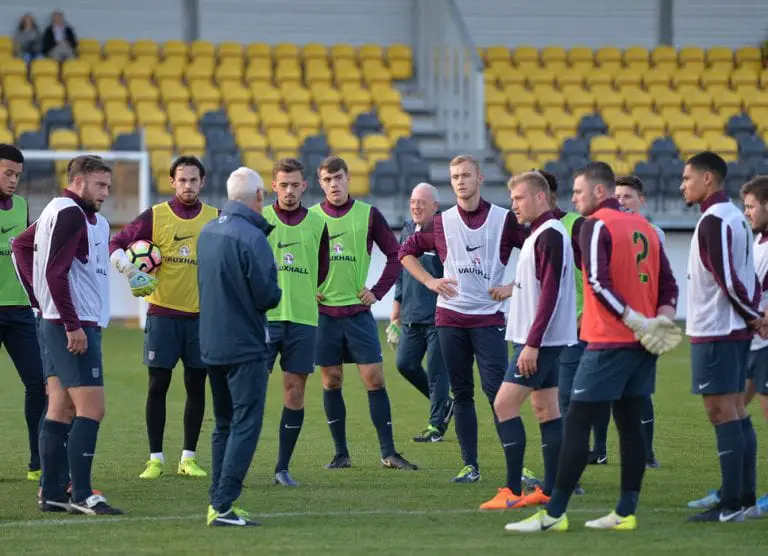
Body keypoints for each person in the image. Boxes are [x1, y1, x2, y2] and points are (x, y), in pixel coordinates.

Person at [505, 161, 679, 533]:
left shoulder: (595, 224)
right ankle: (625, 511)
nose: (572, 198)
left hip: (608, 341)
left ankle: (554, 515)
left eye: (578, 192)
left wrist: (634, 319)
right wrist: (661, 320)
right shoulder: (646, 228)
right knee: (629, 427)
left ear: (600, 193)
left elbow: (598, 283)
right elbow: (669, 285)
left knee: (576, 425)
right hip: (643, 344)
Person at [400, 154, 527, 483]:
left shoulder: (502, 220)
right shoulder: (441, 223)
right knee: (462, 392)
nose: (460, 180)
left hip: (488, 319)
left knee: (499, 394)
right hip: (450, 319)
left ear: (480, 179)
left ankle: (519, 466)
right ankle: (470, 465)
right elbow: (405, 252)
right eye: (455, 176)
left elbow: (537, 252)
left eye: (466, 175)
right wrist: (430, 282)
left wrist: (514, 286)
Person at [12, 155, 122, 515]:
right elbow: (57, 274)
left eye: (108, 185)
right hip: (73, 323)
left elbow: (20, 246)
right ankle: (83, 494)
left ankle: (53, 491)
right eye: (99, 185)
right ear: (78, 182)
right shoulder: (71, 213)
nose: (106, 192)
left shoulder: (58, 212)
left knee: (60, 407)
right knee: (92, 409)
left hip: (57, 319)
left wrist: (39, 301)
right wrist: (71, 322)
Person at [110, 156, 217, 480]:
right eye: (182, 180)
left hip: (201, 318)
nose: (188, 185)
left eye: (193, 180)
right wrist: (129, 270)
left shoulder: (214, 218)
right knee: (158, 385)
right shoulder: (155, 216)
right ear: (172, 182)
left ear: (202, 182)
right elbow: (116, 243)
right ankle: (155, 458)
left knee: (196, 386)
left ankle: (189, 458)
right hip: (162, 316)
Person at [310, 155, 417, 471]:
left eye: (338, 178)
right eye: (327, 180)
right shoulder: (311, 218)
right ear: (320, 183)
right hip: (323, 315)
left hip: (357, 313)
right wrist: (306, 289)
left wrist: (377, 292)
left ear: (348, 178)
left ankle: (389, 452)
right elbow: (291, 261)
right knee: (331, 381)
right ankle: (341, 453)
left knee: (374, 378)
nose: (334, 184)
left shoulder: (368, 215)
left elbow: (397, 255)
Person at [478, 171, 576, 510]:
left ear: (540, 198)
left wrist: (532, 343)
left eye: (519, 198)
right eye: (512, 198)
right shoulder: (541, 234)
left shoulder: (549, 235)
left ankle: (511, 489)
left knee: (504, 404)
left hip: (540, 341)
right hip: (541, 338)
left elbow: (549, 294)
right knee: (546, 409)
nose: (513, 205)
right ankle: (549, 489)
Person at [197, 167, 281, 527]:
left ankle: (217, 501)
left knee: (223, 424)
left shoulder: (208, 231)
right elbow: (267, 296)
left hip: (211, 342)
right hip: (245, 343)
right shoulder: (252, 237)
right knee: (245, 424)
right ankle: (223, 503)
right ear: (259, 196)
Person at [680, 152, 761, 522]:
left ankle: (730, 504)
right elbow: (751, 277)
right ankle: (742, 498)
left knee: (721, 412)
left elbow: (727, 278)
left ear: (708, 179)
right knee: (737, 411)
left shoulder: (715, 220)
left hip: (717, 329)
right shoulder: (736, 219)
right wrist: (753, 315)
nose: (683, 185)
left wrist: (751, 316)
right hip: (731, 329)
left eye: (687, 178)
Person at [262, 158, 329, 486]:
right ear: (273, 186)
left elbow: (323, 268)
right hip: (264, 318)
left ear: (305, 186)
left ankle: (282, 467)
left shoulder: (317, 224)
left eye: (295, 185)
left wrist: (306, 293)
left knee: (295, 392)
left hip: (303, 319)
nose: (289, 191)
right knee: (250, 392)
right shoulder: (260, 220)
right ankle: (236, 462)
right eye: (283, 185)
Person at [540, 170, 609, 469]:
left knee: (567, 394)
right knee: (567, 393)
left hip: (576, 322)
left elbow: (594, 275)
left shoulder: (575, 225)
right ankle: (589, 452)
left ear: (548, 196)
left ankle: (572, 462)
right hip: (549, 326)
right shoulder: (533, 231)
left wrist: (586, 312)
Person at [388, 182, 454, 443]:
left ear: (435, 207)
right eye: (413, 201)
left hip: (440, 314)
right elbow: (402, 273)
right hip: (412, 314)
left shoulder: (447, 232)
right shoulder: (406, 230)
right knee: (404, 364)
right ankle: (444, 405)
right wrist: (396, 311)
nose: (416, 206)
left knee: (438, 373)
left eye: (422, 202)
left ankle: (435, 425)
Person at [0, 144, 46, 481]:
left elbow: (27, 254)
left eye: (17, 174)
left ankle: (38, 461)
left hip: (19, 311)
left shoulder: (21, 206)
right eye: (8, 173)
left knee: (38, 384)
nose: (14, 180)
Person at [615, 175, 666, 468]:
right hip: (613, 321)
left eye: (628, 197)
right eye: (618, 196)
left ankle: (646, 453)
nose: (622, 202)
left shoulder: (655, 233)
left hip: (643, 321)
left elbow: (661, 278)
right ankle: (601, 451)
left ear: (641, 201)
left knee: (641, 389)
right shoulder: (607, 230)